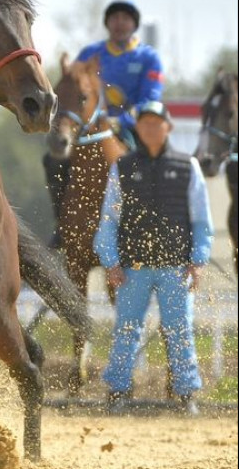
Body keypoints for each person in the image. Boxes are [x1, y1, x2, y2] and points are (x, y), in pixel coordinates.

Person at [94, 100, 212, 416]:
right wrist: (111, 261)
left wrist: (198, 260)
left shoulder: (189, 166)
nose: (149, 127)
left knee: (180, 331)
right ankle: (118, 391)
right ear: (138, 128)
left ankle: (186, 395)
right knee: (126, 329)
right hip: (133, 269)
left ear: (167, 127)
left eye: (155, 122)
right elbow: (109, 219)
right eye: (144, 122)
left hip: (176, 267)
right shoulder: (123, 167)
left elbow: (201, 220)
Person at [43, 0, 165, 247]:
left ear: (134, 24)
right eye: (114, 18)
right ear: (107, 23)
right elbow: (71, 88)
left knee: (157, 163)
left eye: (125, 18)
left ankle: (155, 228)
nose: (119, 23)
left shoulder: (149, 58)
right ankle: (63, 225)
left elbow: (151, 98)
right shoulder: (90, 54)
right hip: (90, 128)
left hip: (132, 128)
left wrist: (122, 119)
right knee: (52, 160)